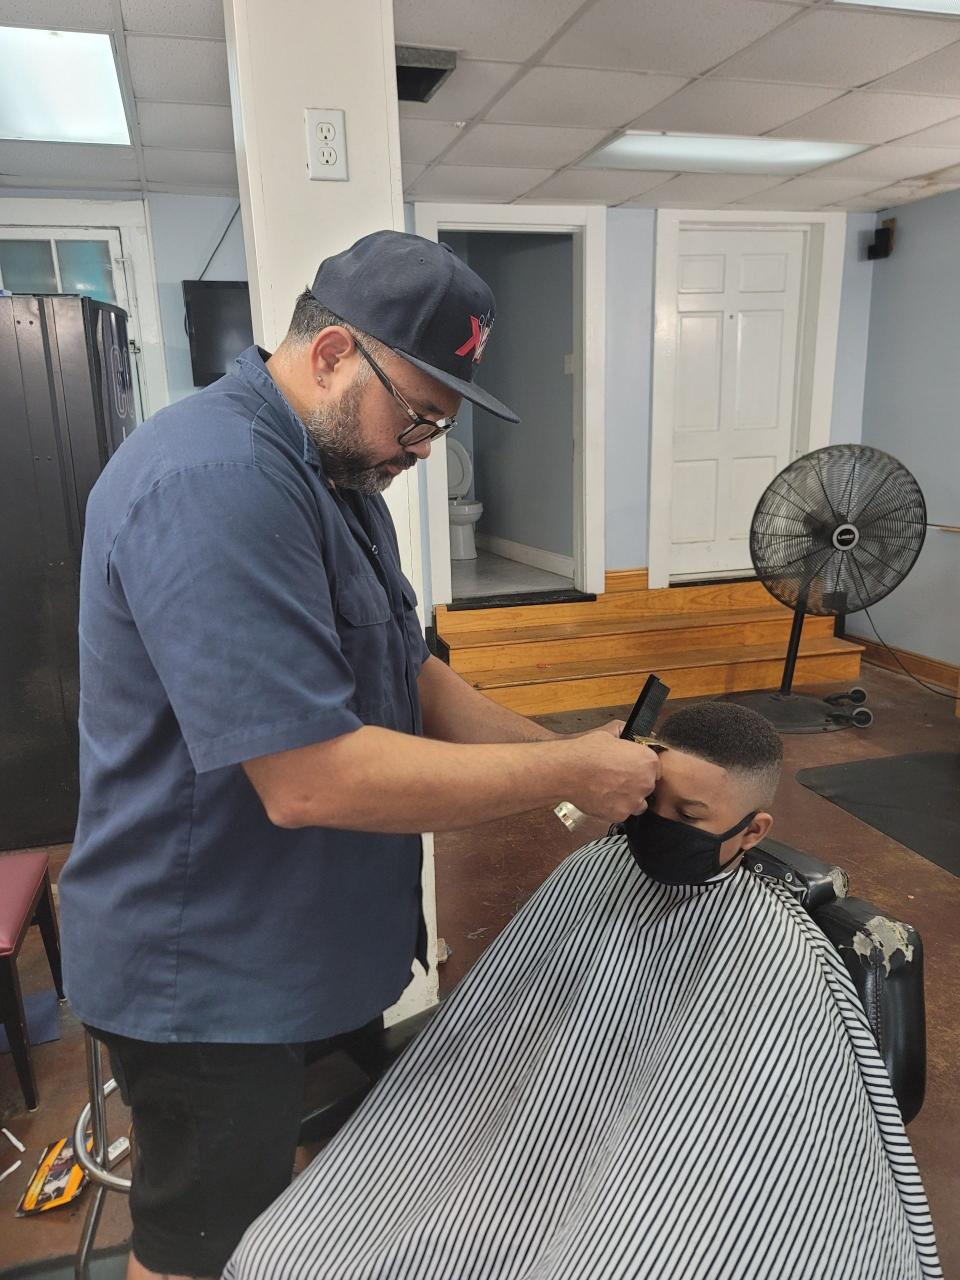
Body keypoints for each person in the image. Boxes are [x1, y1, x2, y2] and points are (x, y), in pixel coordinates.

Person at [57, 230, 659, 1280]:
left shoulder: (340, 483)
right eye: (417, 413)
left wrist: (582, 757)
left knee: (302, 1211)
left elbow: (414, 677)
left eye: (442, 424)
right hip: (207, 975)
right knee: (199, 1245)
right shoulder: (215, 482)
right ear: (333, 349)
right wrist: (569, 778)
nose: (423, 446)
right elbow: (310, 777)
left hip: (308, 950)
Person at [225, 701, 941, 1280]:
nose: (660, 828)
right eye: (652, 804)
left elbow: (745, 1141)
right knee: (284, 1254)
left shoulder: (776, 950)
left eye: (690, 821)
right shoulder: (592, 873)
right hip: (507, 1148)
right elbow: (507, 1027)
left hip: (652, 1188)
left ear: (753, 831)